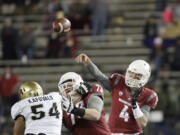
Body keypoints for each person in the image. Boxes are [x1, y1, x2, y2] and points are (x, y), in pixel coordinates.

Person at [75, 53, 158, 135]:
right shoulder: (118, 82)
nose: (133, 77)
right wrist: (88, 62)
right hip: (113, 132)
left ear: (145, 77)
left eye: (138, 75)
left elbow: (142, 124)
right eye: (131, 73)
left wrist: (135, 107)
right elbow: (99, 76)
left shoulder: (148, 95)